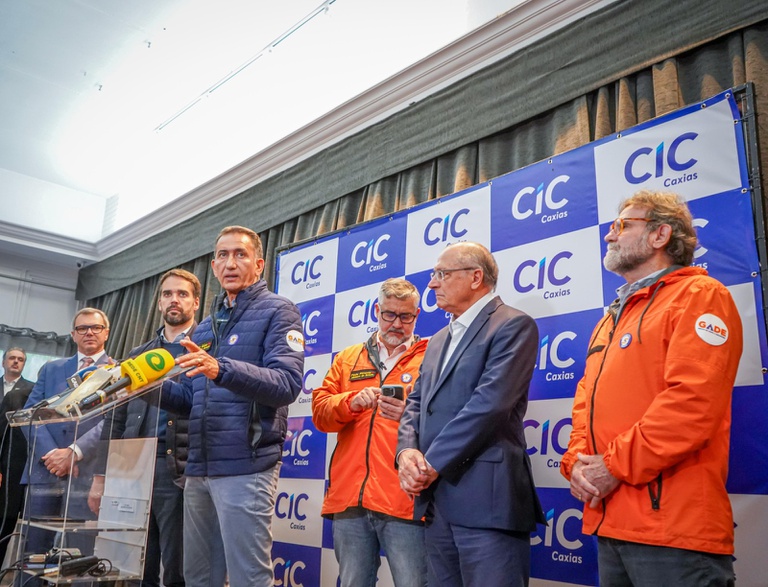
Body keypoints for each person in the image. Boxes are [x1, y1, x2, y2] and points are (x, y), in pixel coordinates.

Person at [561, 190, 743, 586]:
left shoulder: (700, 296)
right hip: (609, 522)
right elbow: (585, 403)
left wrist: (612, 466)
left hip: (673, 531)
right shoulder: (610, 319)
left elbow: (692, 405)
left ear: (660, 235)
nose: (609, 235)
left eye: (622, 225)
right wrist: (576, 463)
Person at [160, 226, 304, 587]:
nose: (230, 263)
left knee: (248, 578)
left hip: (246, 465)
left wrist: (221, 369)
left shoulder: (279, 311)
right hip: (199, 468)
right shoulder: (205, 328)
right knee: (198, 577)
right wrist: (146, 389)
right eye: (222, 255)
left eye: (240, 254)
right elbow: (190, 400)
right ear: (213, 266)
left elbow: (287, 384)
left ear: (259, 264)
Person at [397, 242, 544, 587]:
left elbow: (489, 405)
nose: (432, 283)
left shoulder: (513, 325)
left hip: (487, 502)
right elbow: (416, 403)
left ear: (476, 277)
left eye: (442, 274)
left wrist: (430, 464)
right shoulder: (437, 339)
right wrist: (406, 453)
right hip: (437, 504)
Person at [312, 278, 428, 587]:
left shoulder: (432, 356)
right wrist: (350, 402)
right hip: (350, 499)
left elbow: (449, 417)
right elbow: (320, 414)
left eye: (406, 316)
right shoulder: (348, 358)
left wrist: (409, 414)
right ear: (377, 311)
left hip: (407, 498)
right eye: (389, 314)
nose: (397, 324)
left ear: (417, 315)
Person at [88, 269, 201, 587]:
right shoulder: (137, 355)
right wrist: (101, 476)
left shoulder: (204, 350)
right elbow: (115, 418)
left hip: (177, 470)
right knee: (134, 569)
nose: (174, 300)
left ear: (196, 302)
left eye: (182, 294)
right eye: (167, 294)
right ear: (159, 303)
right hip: (131, 470)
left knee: (177, 569)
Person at [21, 309, 113, 561]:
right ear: (73, 334)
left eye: (95, 327)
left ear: (106, 332)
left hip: (87, 476)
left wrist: (74, 452)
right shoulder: (51, 369)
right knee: (33, 555)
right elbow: (29, 415)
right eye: (82, 328)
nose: (89, 332)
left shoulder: (118, 371)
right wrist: (52, 454)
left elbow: (113, 420)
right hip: (45, 471)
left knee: (78, 557)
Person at [0, 348, 34, 564]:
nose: (16, 362)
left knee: (5, 518)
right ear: (3, 362)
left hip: (13, 462)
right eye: (12, 358)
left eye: (20, 359)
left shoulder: (31, 391)